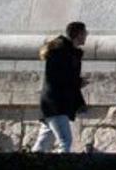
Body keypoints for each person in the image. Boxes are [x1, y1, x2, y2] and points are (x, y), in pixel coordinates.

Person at [32, 21, 88, 153]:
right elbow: (59, 77)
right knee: (65, 142)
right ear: (78, 34)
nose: (86, 35)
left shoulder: (67, 51)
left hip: (53, 103)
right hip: (56, 104)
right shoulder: (63, 51)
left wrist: (77, 82)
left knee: (43, 144)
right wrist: (78, 82)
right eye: (85, 33)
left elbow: (63, 76)